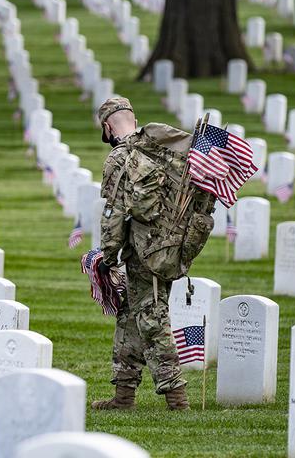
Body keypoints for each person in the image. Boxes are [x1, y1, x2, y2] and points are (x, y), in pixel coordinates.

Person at [91, 96, 199, 411]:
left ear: (107, 126)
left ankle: (177, 400)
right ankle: (123, 396)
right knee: (129, 316)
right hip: (170, 246)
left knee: (153, 317)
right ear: (133, 119)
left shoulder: (119, 158)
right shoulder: (161, 149)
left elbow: (113, 214)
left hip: (144, 253)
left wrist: (107, 257)